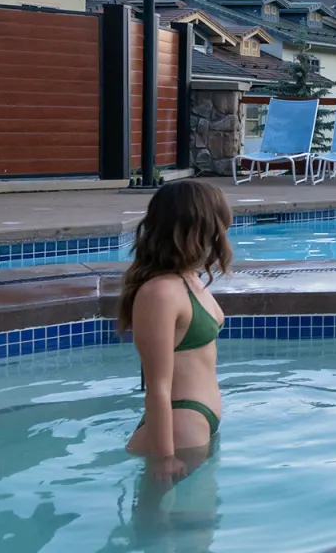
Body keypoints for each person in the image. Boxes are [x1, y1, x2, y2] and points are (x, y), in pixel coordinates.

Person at [119, 179, 233, 484]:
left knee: (196, 528)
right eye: (218, 227)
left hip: (194, 424)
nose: (221, 236)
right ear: (196, 228)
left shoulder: (189, 279)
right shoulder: (160, 293)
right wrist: (165, 457)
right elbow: (158, 386)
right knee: (164, 525)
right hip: (179, 426)